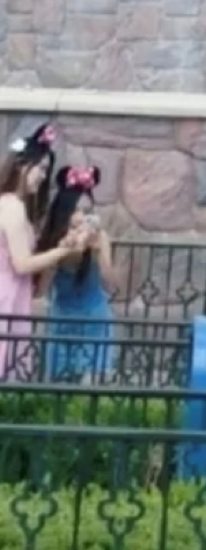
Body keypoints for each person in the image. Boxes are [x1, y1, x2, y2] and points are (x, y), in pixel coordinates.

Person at [0, 123, 86, 383]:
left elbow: (33, 282)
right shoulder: (12, 207)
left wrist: (56, 254)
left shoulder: (18, 207)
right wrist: (61, 250)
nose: (43, 176)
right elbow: (22, 264)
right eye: (41, 168)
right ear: (22, 166)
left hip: (15, 296)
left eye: (46, 170)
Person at [39, 163, 115, 383]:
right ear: (66, 211)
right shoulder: (56, 239)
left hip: (94, 318)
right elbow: (40, 291)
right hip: (63, 319)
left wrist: (99, 254)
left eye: (88, 211)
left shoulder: (99, 237)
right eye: (77, 210)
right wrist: (59, 253)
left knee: (92, 385)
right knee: (60, 384)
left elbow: (111, 285)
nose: (82, 217)